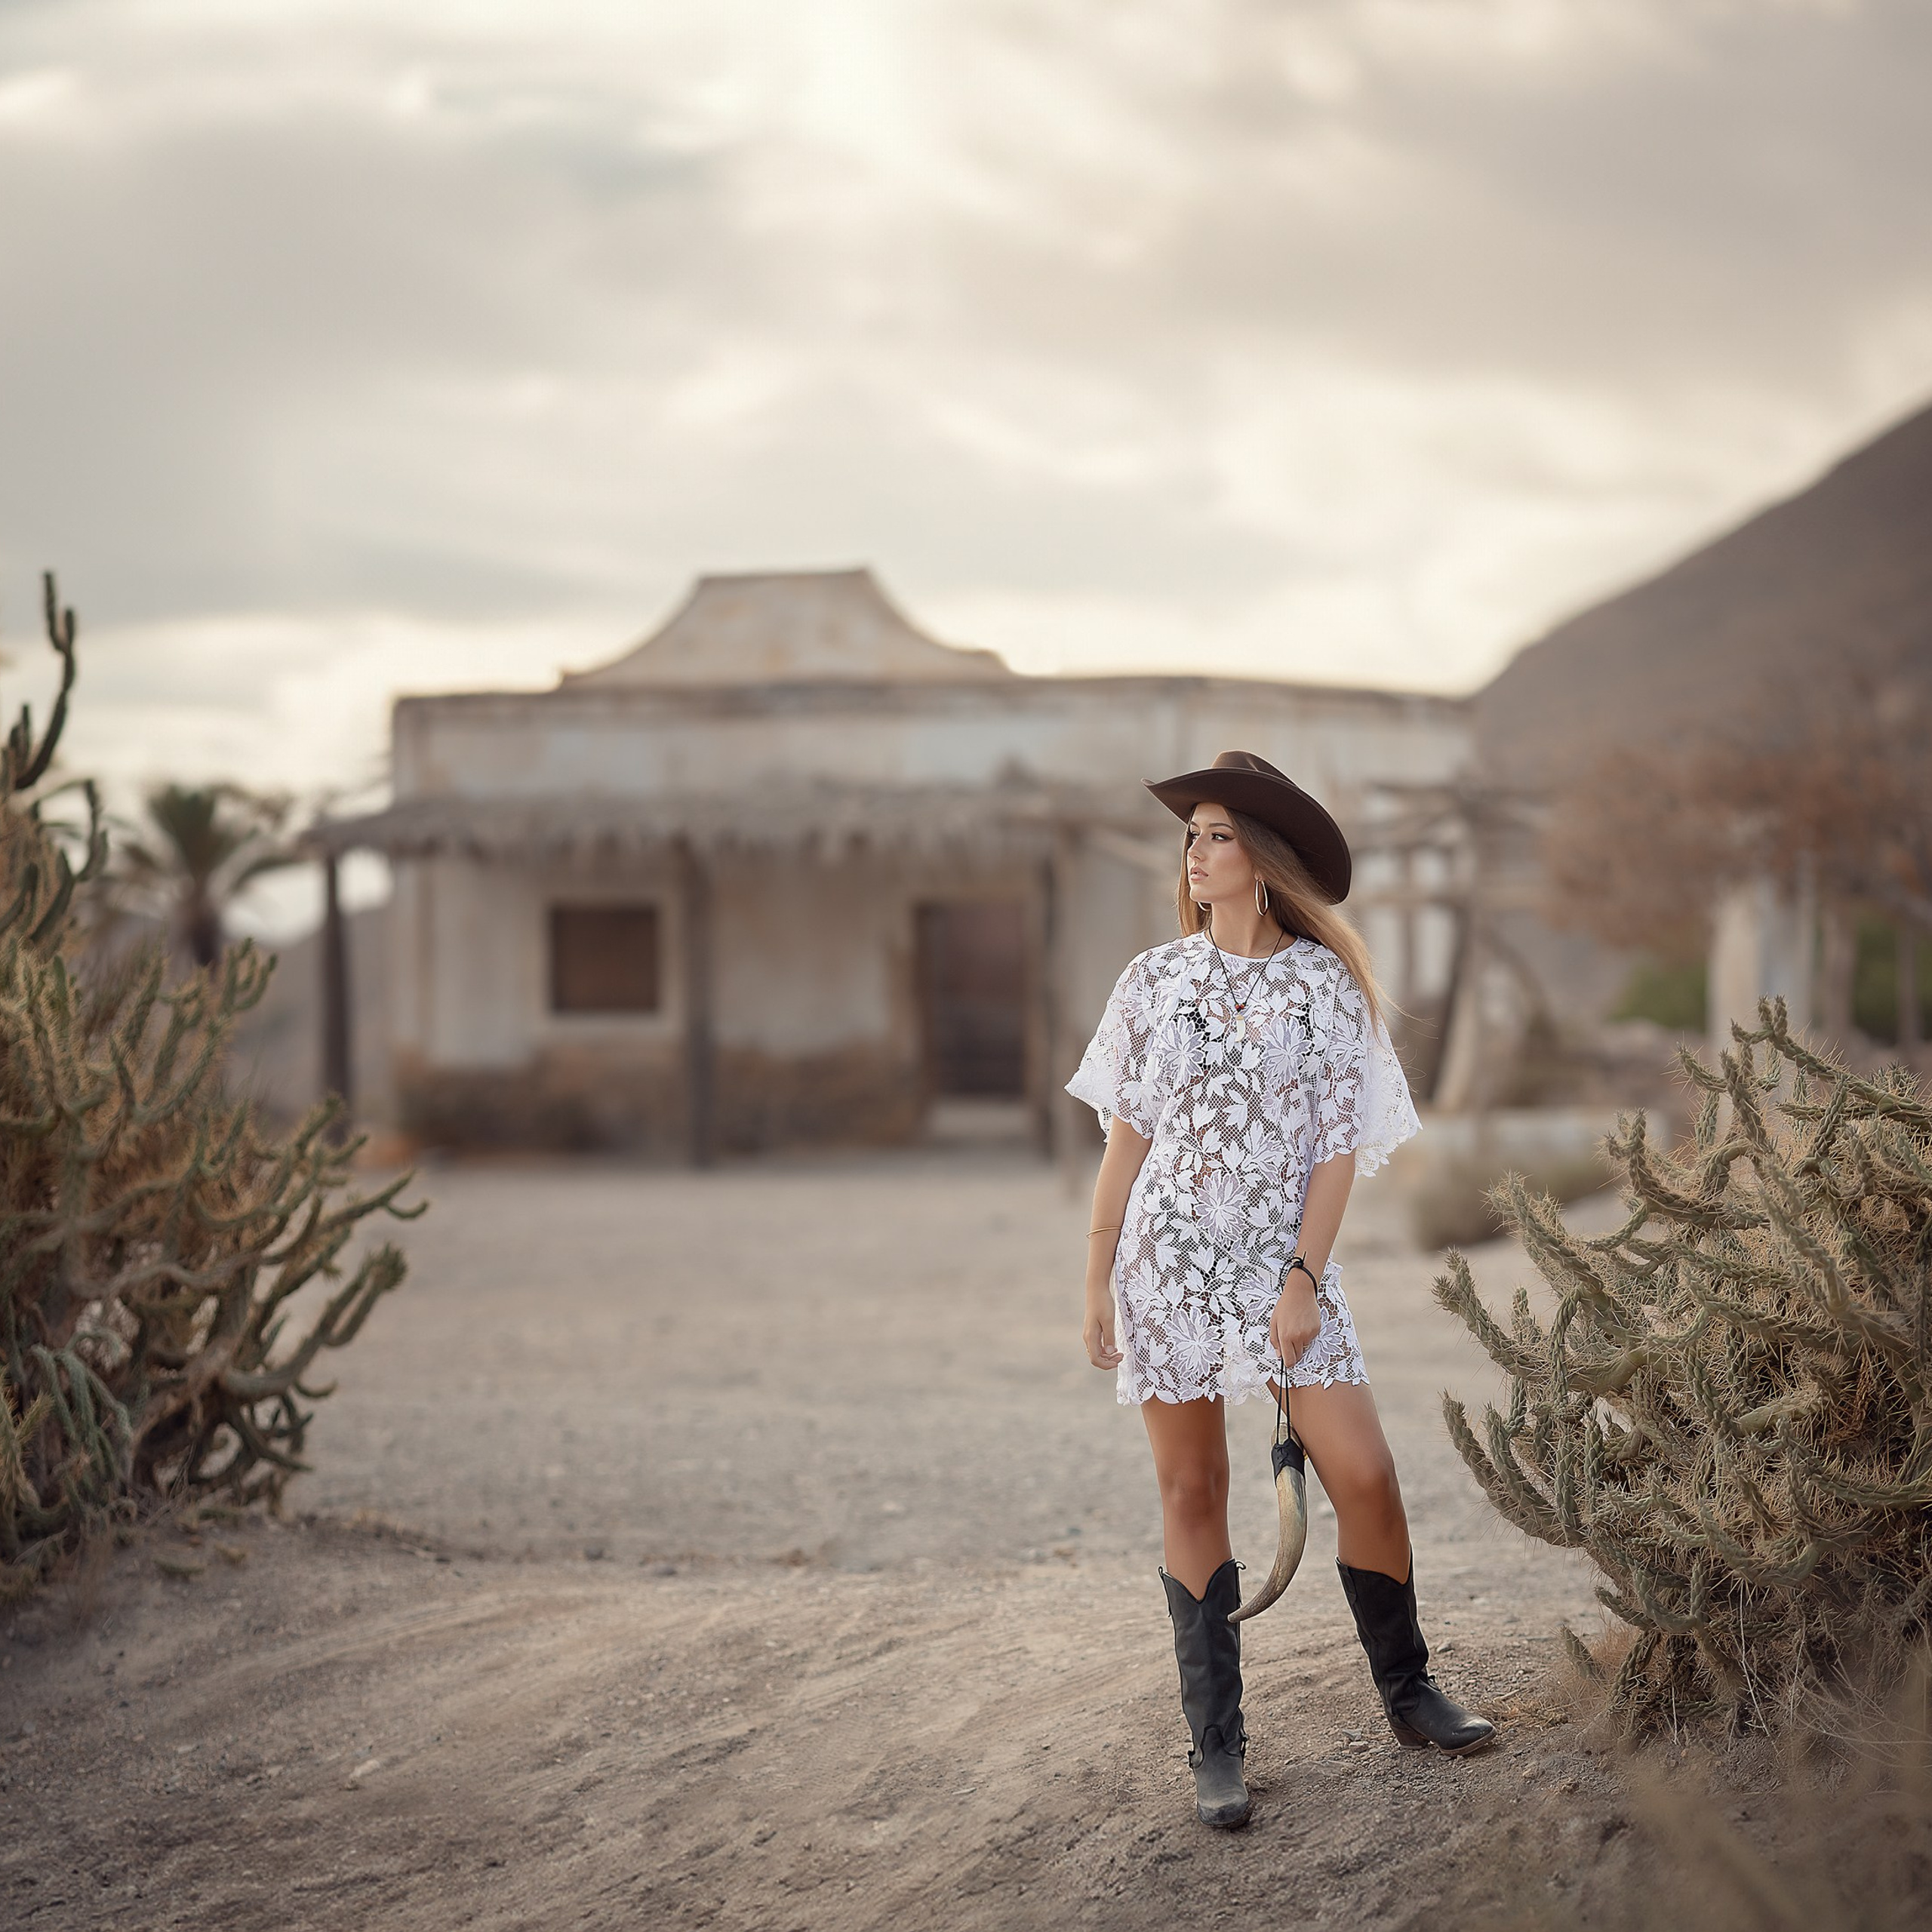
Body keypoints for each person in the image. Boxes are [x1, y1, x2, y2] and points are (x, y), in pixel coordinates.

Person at [1069, 749, 1496, 1830]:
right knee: (1192, 1490)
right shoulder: (1155, 982)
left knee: (1365, 1470)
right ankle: (1218, 1747)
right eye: (1193, 835)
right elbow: (1129, 1141)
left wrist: (1304, 1276)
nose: (1196, 852)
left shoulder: (1323, 989)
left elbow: (1335, 1150)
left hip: (1284, 1269)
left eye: (1216, 834)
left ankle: (1410, 1691)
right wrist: (1098, 1277)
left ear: (1261, 857)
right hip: (1167, 1260)